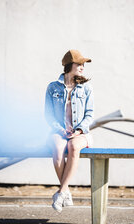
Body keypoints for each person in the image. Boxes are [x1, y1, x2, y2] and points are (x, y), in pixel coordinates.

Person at [45, 49, 94, 212]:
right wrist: (60, 130)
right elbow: (49, 115)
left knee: (73, 147)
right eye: (79, 64)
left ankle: (61, 192)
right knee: (58, 148)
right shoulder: (52, 87)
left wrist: (79, 131)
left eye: (83, 64)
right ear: (69, 65)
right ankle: (65, 191)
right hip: (59, 132)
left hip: (81, 134)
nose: (82, 67)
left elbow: (90, 114)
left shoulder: (86, 88)